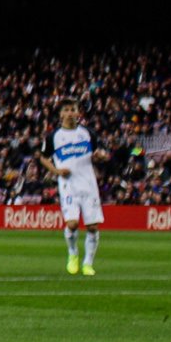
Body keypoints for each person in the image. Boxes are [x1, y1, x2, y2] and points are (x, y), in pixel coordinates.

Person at [47, 99, 103, 276]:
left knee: (92, 226)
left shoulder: (87, 133)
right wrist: (56, 170)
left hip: (88, 184)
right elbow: (41, 156)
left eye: (73, 109)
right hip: (68, 185)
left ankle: (88, 263)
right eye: (67, 110)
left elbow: (97, 153)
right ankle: (73, 254)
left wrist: (100, 156)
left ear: (78, 113)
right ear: (61, 114)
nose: (70, 113)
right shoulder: (54, 136)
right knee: (72, 223)